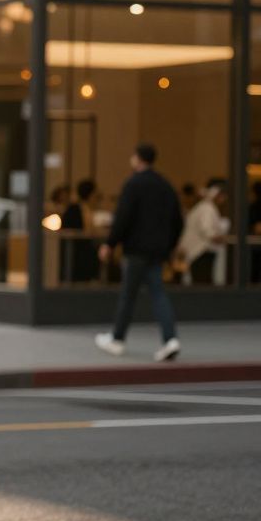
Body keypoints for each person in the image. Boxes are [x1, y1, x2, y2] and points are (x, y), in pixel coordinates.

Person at [95, 143, 184, 362]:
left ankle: (117, 339)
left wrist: (110, 243)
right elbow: (178, 221)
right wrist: (169, 246)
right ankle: (170, 339)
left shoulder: (133, 184)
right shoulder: (165, 186)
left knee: (128, 295)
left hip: (135, 249)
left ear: (137, 158)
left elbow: (123, 217)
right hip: (157, 251)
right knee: (158, 294)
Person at [177, 178, 228, 286]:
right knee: (202, 285)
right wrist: (222, 238)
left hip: (199, 253)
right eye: (222, 195)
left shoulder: (203, 207)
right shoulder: (207, 208)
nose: (224, 199)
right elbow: (207, 231)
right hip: (201, 253)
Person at [61, 178, 101, 283]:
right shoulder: (74, 209)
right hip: (77, 252)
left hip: (84, 251)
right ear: (90, 195)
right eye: (95, 195)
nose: (97, 198)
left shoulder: (87, 210)